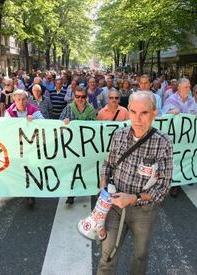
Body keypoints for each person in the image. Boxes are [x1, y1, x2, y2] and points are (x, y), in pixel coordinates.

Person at [97, 91, 173, 275]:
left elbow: (163, 187)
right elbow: (108, 165)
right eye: (133, 112)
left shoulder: (163, 143)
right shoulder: (119, 136)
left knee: (140, 256)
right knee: (107, 257)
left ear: (154, 113)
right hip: (115, 206)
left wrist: (133, 198)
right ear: (128, 111)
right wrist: (103, 192)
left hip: (144, 211)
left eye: (144, 113)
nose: (137, 119)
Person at [5, 89, 44, 207]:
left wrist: (35, 121)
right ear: (14, 100)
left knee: (30, 169)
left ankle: (29, 193)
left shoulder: (34, 110)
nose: (21, 102)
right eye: (18, 99)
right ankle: (21, 189)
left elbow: (44, 124)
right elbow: (6, 128)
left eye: (23, 99)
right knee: (19, 169)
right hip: (16, 146)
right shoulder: (9, 112)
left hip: (31, 146)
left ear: (27, 100)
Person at [59, 86, 96, 205]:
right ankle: (71, 193)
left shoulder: (91, 110)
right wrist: (64, 123)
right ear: (74, 97)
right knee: (72, 170)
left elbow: (94, 127)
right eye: (77, 96)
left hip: (86, 145)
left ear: (87, 97)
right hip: (71, 146)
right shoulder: (68, 108)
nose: (80, 99)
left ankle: (83, 189)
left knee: (84, 169)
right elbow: (59, 126)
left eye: (83, 97)